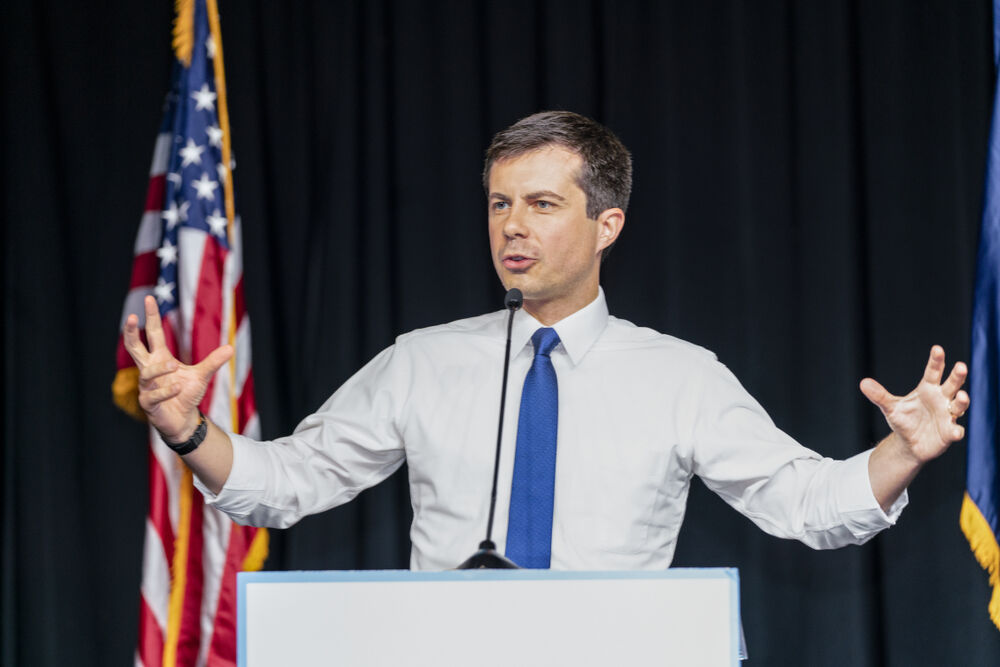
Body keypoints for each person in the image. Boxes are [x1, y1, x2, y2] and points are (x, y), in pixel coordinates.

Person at [123, 111, 970, 571]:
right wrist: (189, 431)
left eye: (541, 204)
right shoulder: (422, 360)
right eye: (499, 204)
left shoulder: (680, 376)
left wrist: (903, 452)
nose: (512, 227)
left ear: (609, 224)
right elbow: (288, 484)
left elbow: (805, 503)